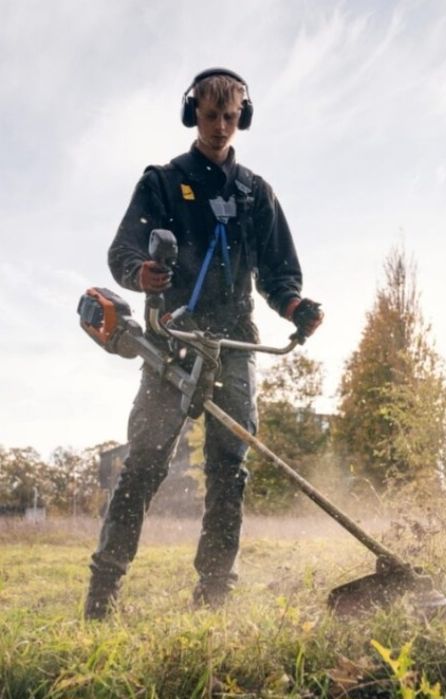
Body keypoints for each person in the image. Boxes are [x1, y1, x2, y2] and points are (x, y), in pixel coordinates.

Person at [84, 68, 323, 619]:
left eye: (231, 117)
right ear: (193, 113)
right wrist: (141, 273)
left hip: (234, 344)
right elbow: (122, 252)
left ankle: (214, 595)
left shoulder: (256, 193)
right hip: (173, 339)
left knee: (229, 468)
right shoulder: (163, 182)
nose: (220, 127)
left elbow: (278, 271)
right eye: (211, 116)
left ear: (244, 117)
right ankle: (103, 593)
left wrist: (295, 307)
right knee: (143, 463)